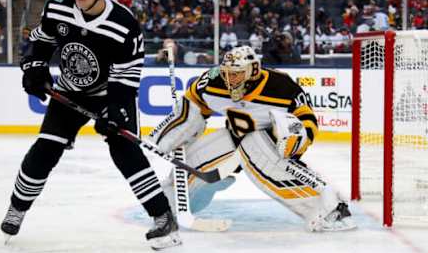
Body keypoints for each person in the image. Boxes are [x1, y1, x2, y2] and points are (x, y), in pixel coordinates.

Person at [0, 0, 181, 250]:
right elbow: (41, 40)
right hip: (69, 91)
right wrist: (33, 66)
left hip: (110, 93)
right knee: (45, 149)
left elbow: (127, 76)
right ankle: (17, 208)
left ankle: (162, 216)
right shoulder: (59, 4)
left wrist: (116, 111)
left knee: (125, 152)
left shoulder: (124, 25)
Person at [147, 45, 357, 232]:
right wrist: (170, 135)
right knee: (194, 159)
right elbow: (192, 104)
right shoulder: (213, 80)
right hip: (235, 137)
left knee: (260, 154)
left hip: (269, 143)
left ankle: (331, 211)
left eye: (236, 74)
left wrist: (297, 142)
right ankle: (167, 208)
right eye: (227, 73)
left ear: (253, 71)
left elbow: (306, 118)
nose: (230, 80)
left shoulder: (281, 86)